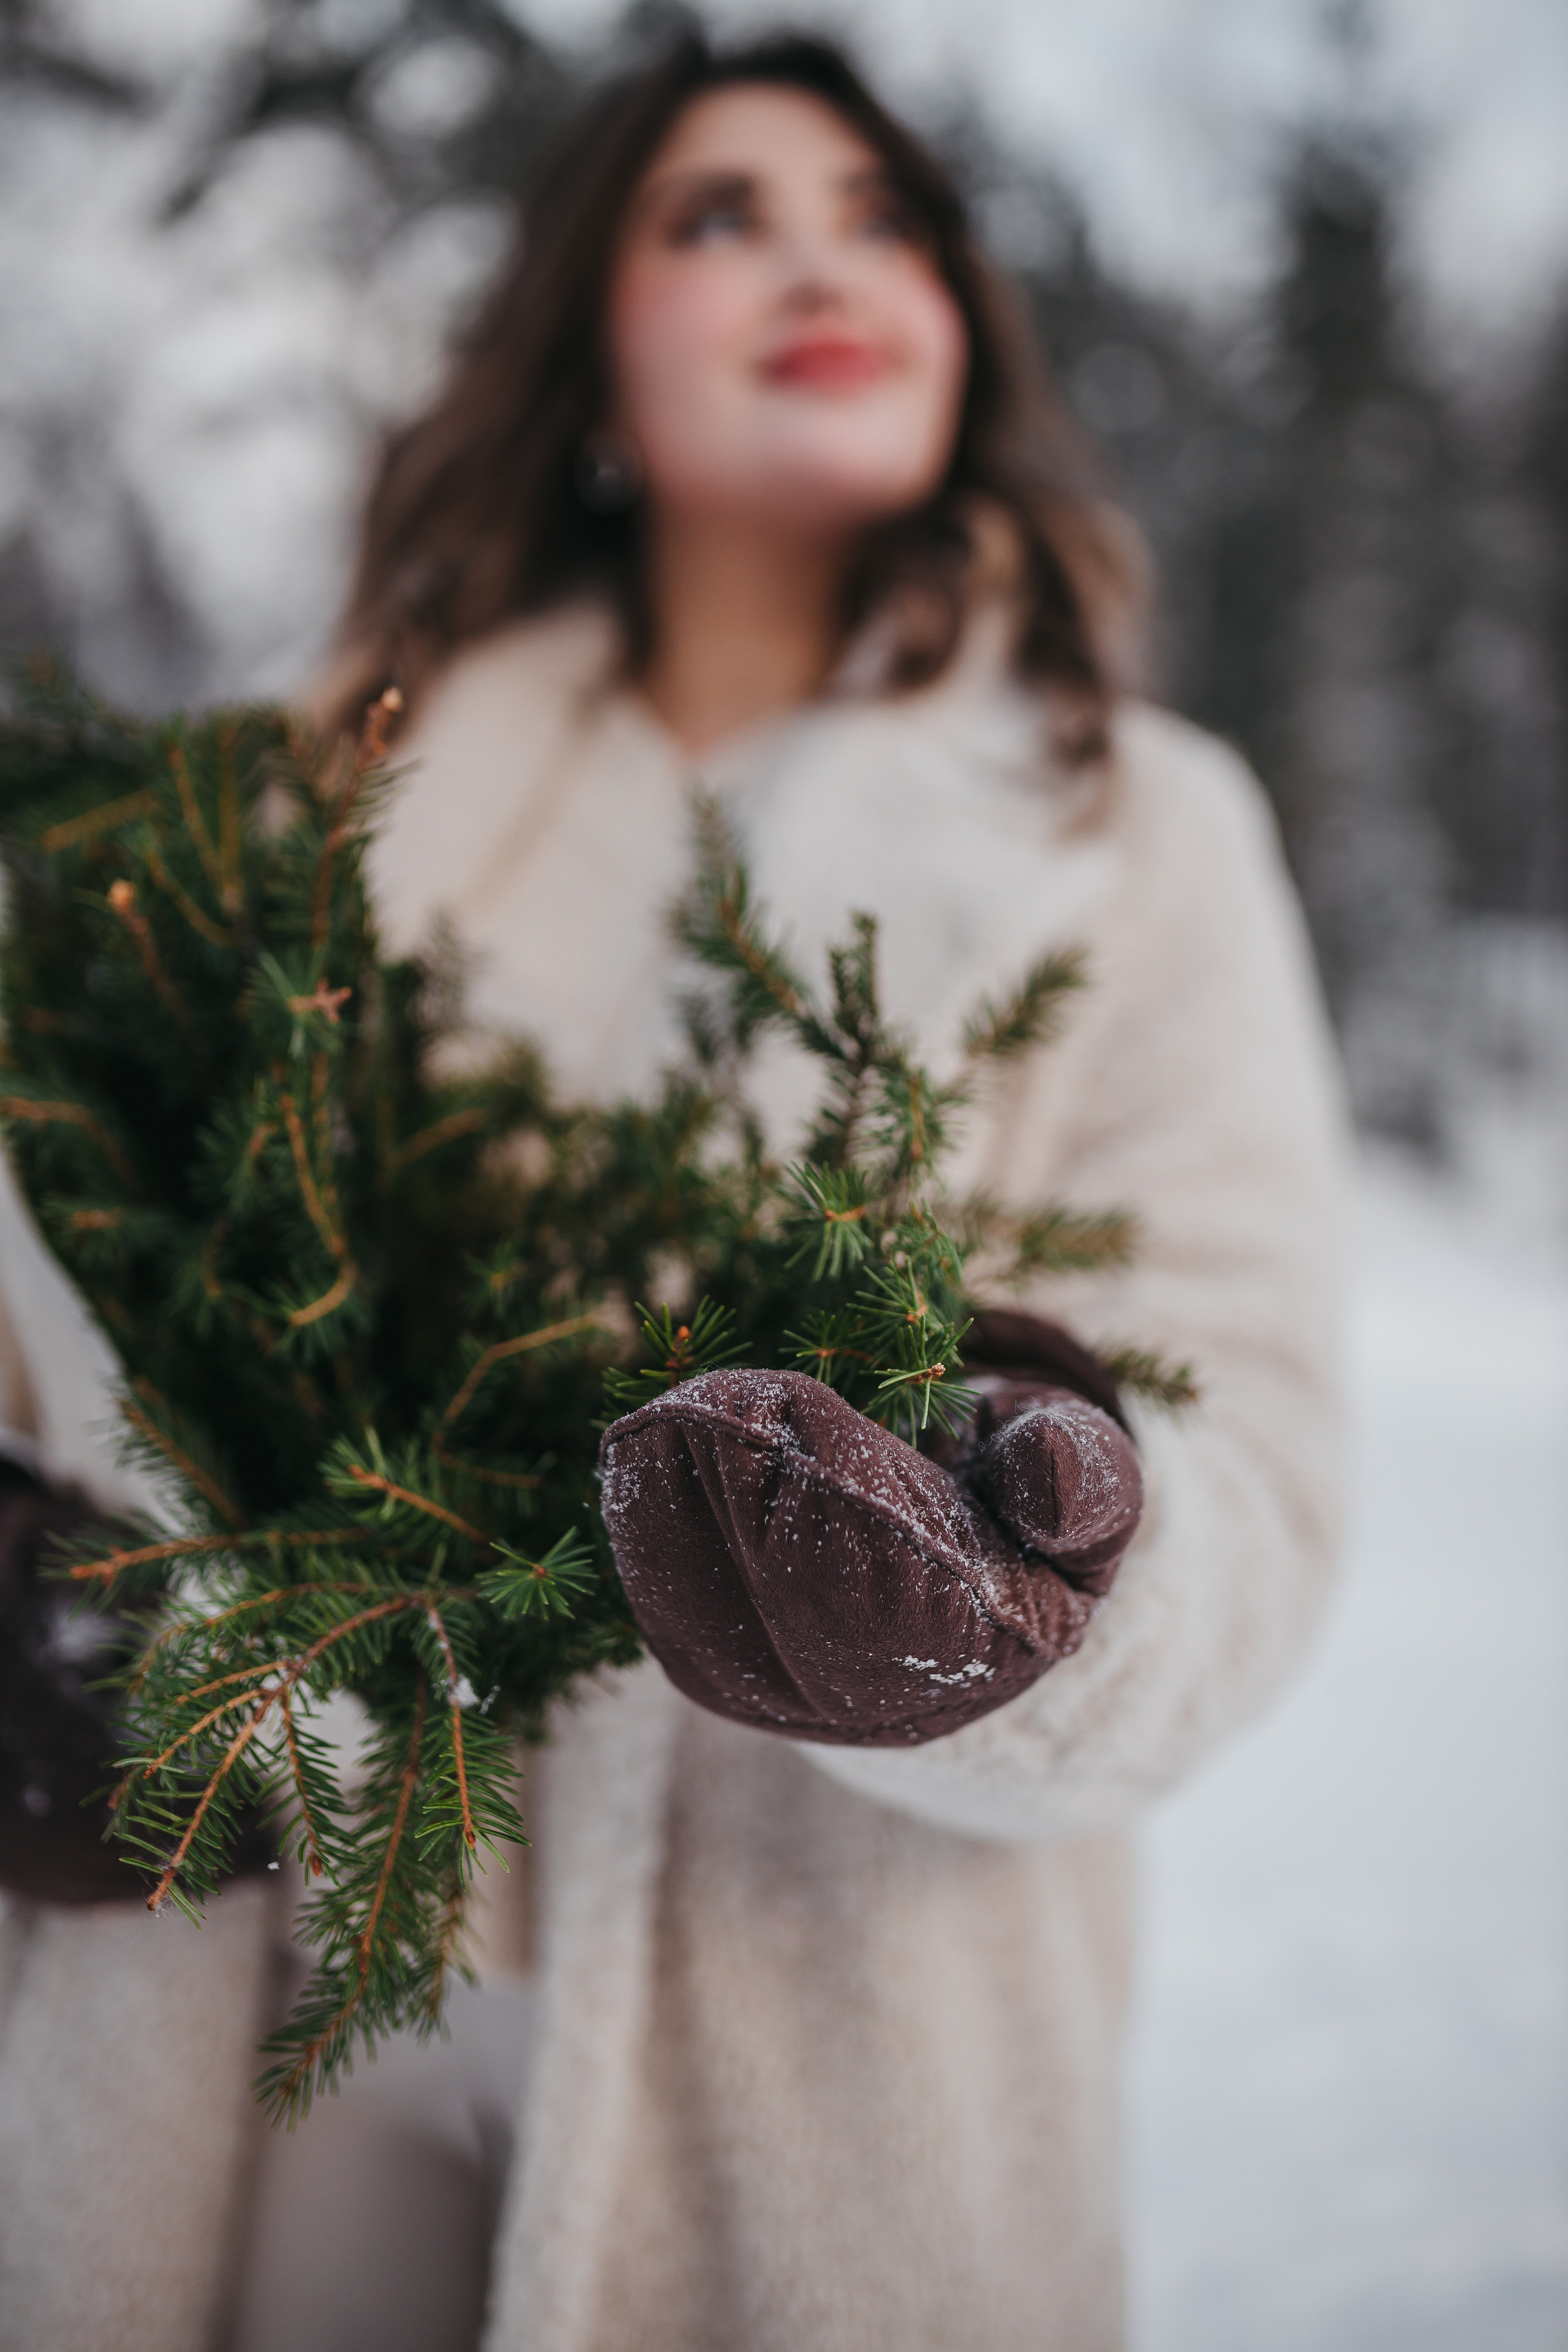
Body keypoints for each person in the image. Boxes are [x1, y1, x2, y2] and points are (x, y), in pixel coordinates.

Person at [0, 30, 1349, 2352]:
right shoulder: (314, 797)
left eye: (882, 214)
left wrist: (1038, 1569)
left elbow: (1259, 1426)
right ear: (589, 356)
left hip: (831, 2034)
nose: (821, 260)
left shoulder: (1137, 825)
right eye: (719, 214)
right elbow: (65, 1284)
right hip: (279, 1995)